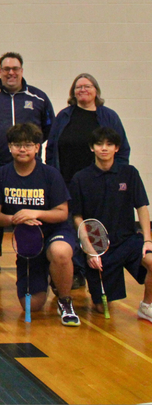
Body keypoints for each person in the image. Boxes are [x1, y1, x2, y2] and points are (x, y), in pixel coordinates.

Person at [0, 123, 79, 326]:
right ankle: (49, 275)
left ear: (38, 148)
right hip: (28, 241)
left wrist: (36, 213)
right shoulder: (0, 176)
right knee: (32, 306)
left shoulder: (50, 174)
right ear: (10, 147)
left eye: (28, 145)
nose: (23, 149)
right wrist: (15, 219)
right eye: (17, 144)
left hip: (54, 232)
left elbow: (62, 213)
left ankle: (65, 301)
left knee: (60, 253)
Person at [69, 127, 152, 322]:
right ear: (92, 148)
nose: (104, 148)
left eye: (109, 144)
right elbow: (77, 218)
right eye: (99, 144)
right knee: (101, 307)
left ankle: (146, 306)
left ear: (117, 148)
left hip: (128, 240)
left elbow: (142, 207)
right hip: (99, 246)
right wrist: (90, 250)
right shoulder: (81, 178)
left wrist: (147, 239)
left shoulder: (129, 173)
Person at [0, 52, 55, 183]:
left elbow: (49, 130)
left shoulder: (39, 98)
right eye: (6, 69)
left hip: (31, 167)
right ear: (0, 71)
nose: (11, 72)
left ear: (21, 71)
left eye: (15, 69)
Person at [48, 73, 131, 185]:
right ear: (73, 93)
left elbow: (122, 149)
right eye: (78, 87)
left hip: (101, 183)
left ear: (96, 91)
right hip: (66, 183)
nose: (83, 90)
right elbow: (51, 149)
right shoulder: (63, 116)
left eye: (87, 86)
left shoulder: (109, 117)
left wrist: (116, 177)